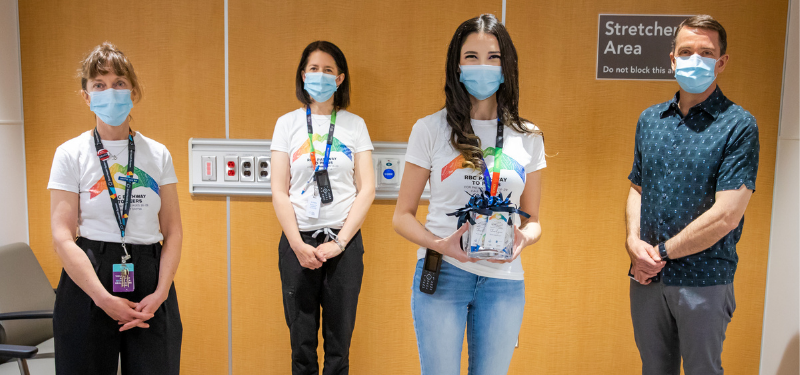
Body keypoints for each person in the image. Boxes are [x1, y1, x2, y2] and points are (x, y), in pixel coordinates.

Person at [392, 14, 545, 375]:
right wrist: (440, 244)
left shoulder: (529, 136)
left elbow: (534, 219)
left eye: (493, 57)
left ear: (507, 66)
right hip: (443, 274)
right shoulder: (430, 129)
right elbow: (401, 215)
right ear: (456, 67)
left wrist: (523, 239)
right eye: (471, 57)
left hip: (504, 280)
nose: (483, 66)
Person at [625, 15, 759, 375]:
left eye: (706, 52)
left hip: (705, 281)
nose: (694, 60)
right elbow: (637, 189)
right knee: (653, 369)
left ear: (721, 61)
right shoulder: (650, 120)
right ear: (672, 59)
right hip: (647, 279)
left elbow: (727, 214)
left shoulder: (738, 125)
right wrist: (633, 242)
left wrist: (661, 253)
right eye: (686, 51)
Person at [48, 42, 183, 375]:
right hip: (89, 274)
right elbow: (62, 236)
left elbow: (174, 230)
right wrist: (102, 298)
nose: (111, 91)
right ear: (86, 96)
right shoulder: (70, 154)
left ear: (133, 91)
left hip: (150, 277)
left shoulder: (158, 154)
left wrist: (162, 291)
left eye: (119, 83)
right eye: (99, 85)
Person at [270, 40, 375, 375]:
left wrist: (340, 243)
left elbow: (367, 189)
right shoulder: (286, 124)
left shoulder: (354, 125)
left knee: (338, 347)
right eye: (313, 69)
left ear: (340, 78)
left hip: (343, 246)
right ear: (303, 75)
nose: (320, 75)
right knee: (301, 346)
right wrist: (299, 245)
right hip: (297, 243)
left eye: (328, 70)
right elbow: (279, 190)